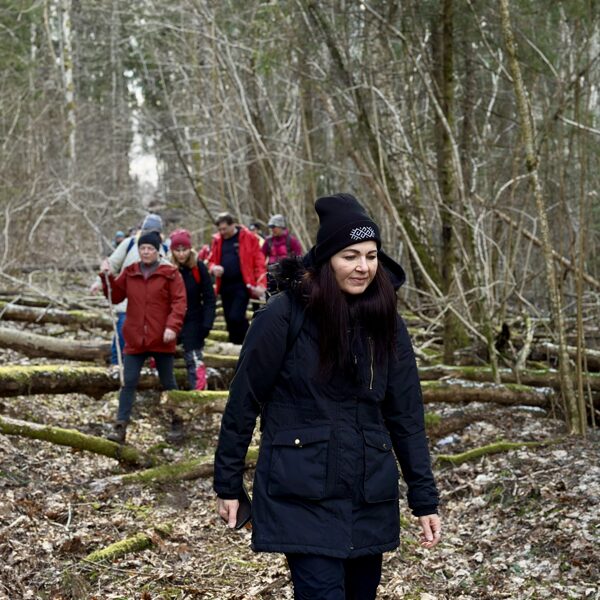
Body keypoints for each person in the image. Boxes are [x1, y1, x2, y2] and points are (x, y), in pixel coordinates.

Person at [214, 194, 441, 600]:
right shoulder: (283, 315)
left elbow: (406, 416)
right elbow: (243, 402)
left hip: (369, 494)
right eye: (350, 256)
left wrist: (424, 499)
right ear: (326, 259)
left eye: (371, 256)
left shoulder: (387, 322)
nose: (363, 267)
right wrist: (228, 485)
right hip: (301, 491)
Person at [99, 230, 187, 444]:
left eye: (150, 248)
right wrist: (106, 276)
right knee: (128, 382)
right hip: (135, 337)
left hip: (162, 338)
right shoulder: (131, 271)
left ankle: (177, 422)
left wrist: (172, 327)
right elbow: (116, 296)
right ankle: (120, 427)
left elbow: (179, 303)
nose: (146, 252)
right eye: (142, 248)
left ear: (158, 251)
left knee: (168, 382)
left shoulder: (170, 273)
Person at [91, 213, 168, 367]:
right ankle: (117, 364)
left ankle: (138, 367)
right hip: (127, 300)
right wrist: (99, 282)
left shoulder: (163, 249)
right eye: (148, 231)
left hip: (151, 303)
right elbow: (112, 263)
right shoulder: (130, 244)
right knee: (123, 332)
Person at [207, 212, 267, 344]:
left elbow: (259, 261)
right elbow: (210, 261)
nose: (222, 232)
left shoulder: (248, 237)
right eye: (220, 229)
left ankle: (251, 342)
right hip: (224, 285)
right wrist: (213, 268)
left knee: (236, 316)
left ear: (233, 225)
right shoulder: (217, 240)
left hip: (243, 285)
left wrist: (261, 283)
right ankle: (236, 347)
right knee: (229, 320)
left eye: (224, 229)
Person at [169, 228, 216, 391]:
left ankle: (198, 392)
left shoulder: (198, 267)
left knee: (194, 358)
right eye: (177, 250)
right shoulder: (167, 269)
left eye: (184, 250)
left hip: (194, 318)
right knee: (164, 357)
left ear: (190, 249)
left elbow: (209, 297)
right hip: (172, 319)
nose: (181, 254)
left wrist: (207, 324)